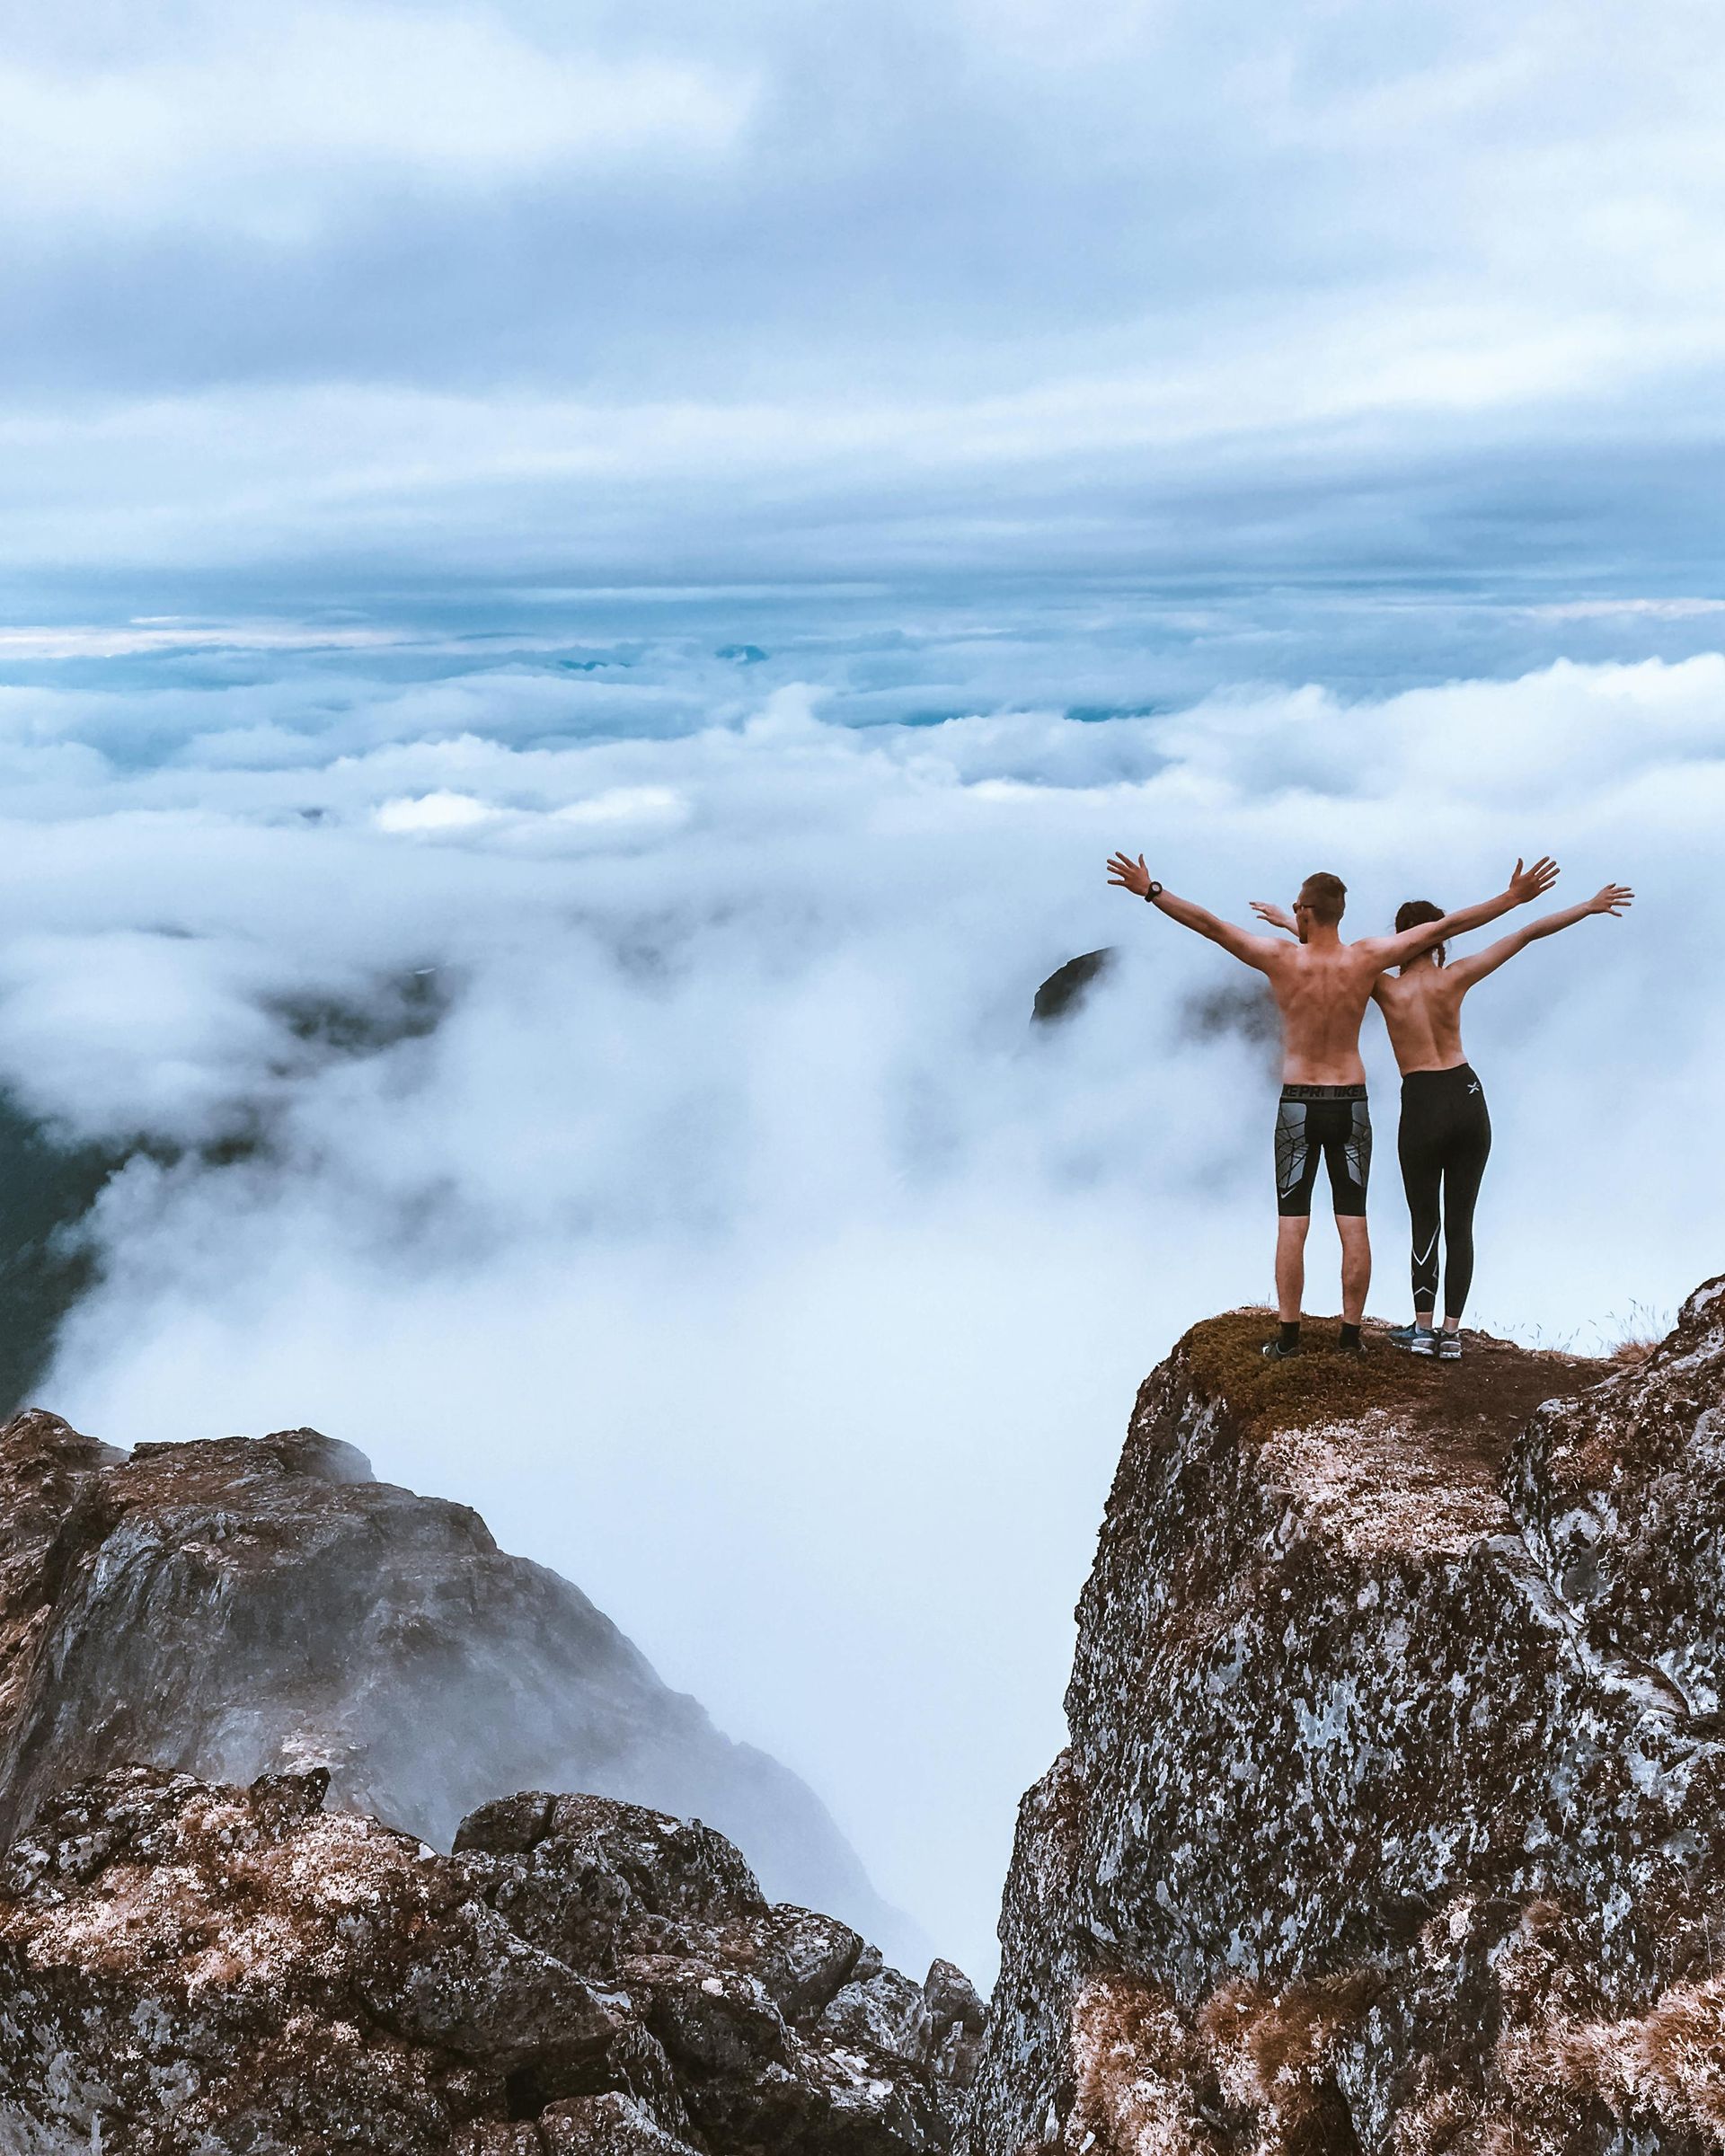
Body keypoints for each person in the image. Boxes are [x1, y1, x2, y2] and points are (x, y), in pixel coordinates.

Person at [1105, 853, 1559, 1358]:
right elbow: (1448, 925)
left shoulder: (1279, 958)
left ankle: (1289, 1337)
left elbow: (1211, 925)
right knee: (1353, 1221)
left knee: (1292, 1222)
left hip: (1298, 1101)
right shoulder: (1366, 960)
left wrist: (1152, 891)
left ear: (1304, 913)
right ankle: (1350, 1338)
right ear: (1338, 914)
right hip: (1351, 1101)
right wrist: (1511, 899)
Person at [1367, 882, 1632, 1357]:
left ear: (1400, 941)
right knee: (1461, 1221)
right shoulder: (1457, 977)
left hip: (1423, 1102)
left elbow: (1328, 960)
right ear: (1440, 941)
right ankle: (1451, 1334)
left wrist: (1292, 924)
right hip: (1467, 1097)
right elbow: (1528, 933)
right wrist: (1588, 906)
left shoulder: (1384, 988)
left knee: (1425, 1219)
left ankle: (1423, 1329)